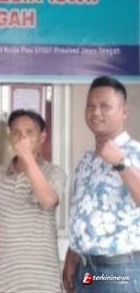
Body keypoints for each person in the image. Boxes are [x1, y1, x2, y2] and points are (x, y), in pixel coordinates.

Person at [63, 76, 140, 293]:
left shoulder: (135, 152)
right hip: (86, 271)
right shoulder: (86, 161)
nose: (96, 112)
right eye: (91, 106)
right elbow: (84, 214)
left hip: (119, 271)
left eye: (105, 106)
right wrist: (72, 256)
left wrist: (121, 162)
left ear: (124, 112)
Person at [0, 109, 66, 293]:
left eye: (29, 132)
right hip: (7, 280)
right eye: (16, 132)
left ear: (42, 137)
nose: (22, 138)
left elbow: (47, 201)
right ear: (10, 137)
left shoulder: (54, 172)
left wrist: (27, 157)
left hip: (43, 281)